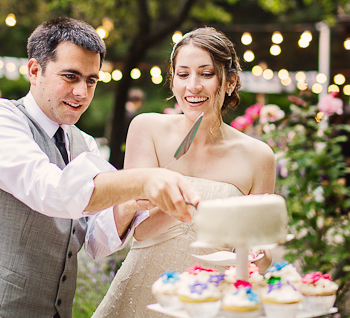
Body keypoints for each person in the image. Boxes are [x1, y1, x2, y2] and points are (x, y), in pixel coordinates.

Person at [0, 17, 199, 318]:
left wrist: (131, 203)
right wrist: (141, 180)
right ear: (34, 71)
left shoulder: (85, 144)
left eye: (91, 80)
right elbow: (52, 192)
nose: (82, 92)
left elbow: (94, 241)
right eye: (70, 76)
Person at [92, 27, 276, 318]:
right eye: (183, 74)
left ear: (230, 81)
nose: (193, 85)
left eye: (206, 74)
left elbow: (263, 252)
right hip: (146, 291)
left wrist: (260, 256)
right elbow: (140, 231)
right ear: (172, 80)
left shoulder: (259, 156)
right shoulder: (146, 129)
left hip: (213, 300)